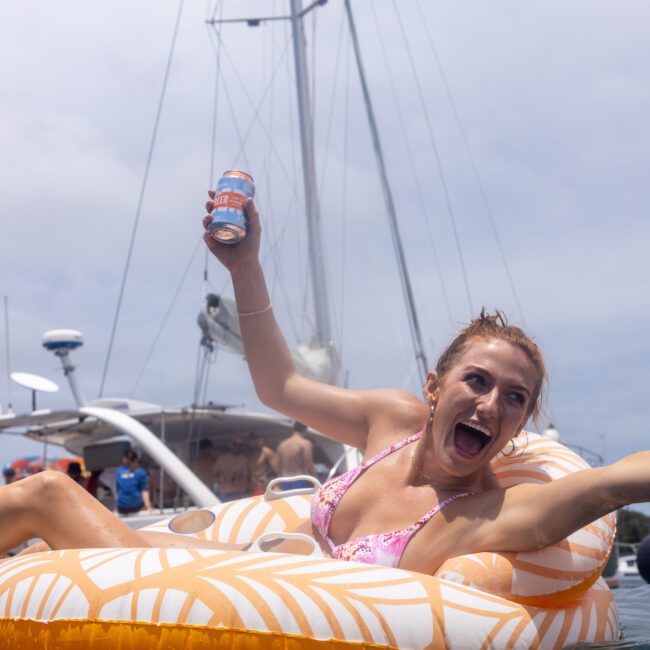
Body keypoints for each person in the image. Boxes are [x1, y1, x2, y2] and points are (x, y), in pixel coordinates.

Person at [1, 195, 649, 571]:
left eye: (515, 399)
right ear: (432, 388)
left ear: (522, 422)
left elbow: (614, 480)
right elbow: (280, 386)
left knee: (49, 497)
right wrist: (246, 265)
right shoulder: (392, 423)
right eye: (476, 380)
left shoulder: (482, 512)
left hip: (239, 611)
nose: (490, 404)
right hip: (219, 574)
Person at [275, 422, 315, 490]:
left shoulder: (282, 445)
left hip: (285, 481)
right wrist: (314, 480)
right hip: (300, 480)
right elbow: (309, 464)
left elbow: (277, 467)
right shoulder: (305, 443)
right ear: (305, 429)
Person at [114, 450, 153, 516]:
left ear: (125, 459)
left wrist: (115, 508)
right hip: (136, 507)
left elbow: (118, 491)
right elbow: (144, 490)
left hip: (122, 508)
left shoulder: (119, 471)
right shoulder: (141, 471)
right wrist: (148, 506)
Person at [213, 437, 252, 502]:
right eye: (235, 444)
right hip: (224, 493)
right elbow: (214, 475)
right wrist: (222, 480)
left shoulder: (244, 460)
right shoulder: (222, 459)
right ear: (229, 445)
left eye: (240, 445)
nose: (237, 446)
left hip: (239, 493)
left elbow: (247, 478)